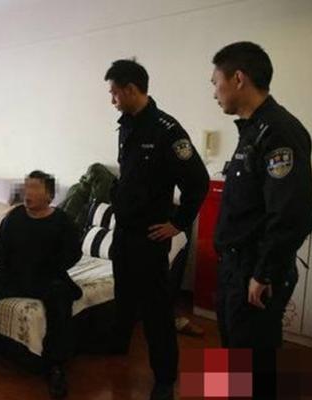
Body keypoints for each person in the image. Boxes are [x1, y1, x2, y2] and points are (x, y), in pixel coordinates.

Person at [104, 59, 210, 400]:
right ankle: (118, 346)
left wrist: (178, 224)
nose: (112, 100)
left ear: (131, 89)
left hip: (149, 236)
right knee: (123, 295)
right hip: (124, 230)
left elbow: (198, 182)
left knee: (156, 310)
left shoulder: (167, 130)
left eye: (114, 93)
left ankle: (164, 376)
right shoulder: (126, 125)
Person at [211, 41, 312, 349]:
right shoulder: (252, 130)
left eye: (216, 83)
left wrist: (264, 274)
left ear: (238, 79)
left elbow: (291, 213)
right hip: (235, 266)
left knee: (252, 359)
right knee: (231, 351)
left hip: (255, 271)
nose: (214, 93)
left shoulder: (279, 131)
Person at [0, 170, 82, 399]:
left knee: (61, 296)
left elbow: (73, 253)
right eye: (26, 187)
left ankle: (55, 365)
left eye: (34, 188)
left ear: (49, 195)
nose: (27, 192)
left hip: (47, 279)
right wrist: (11, 268)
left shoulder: (62, 221)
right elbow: (1, 253)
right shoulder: (14, 217)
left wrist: (50, 268)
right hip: (14, 277)